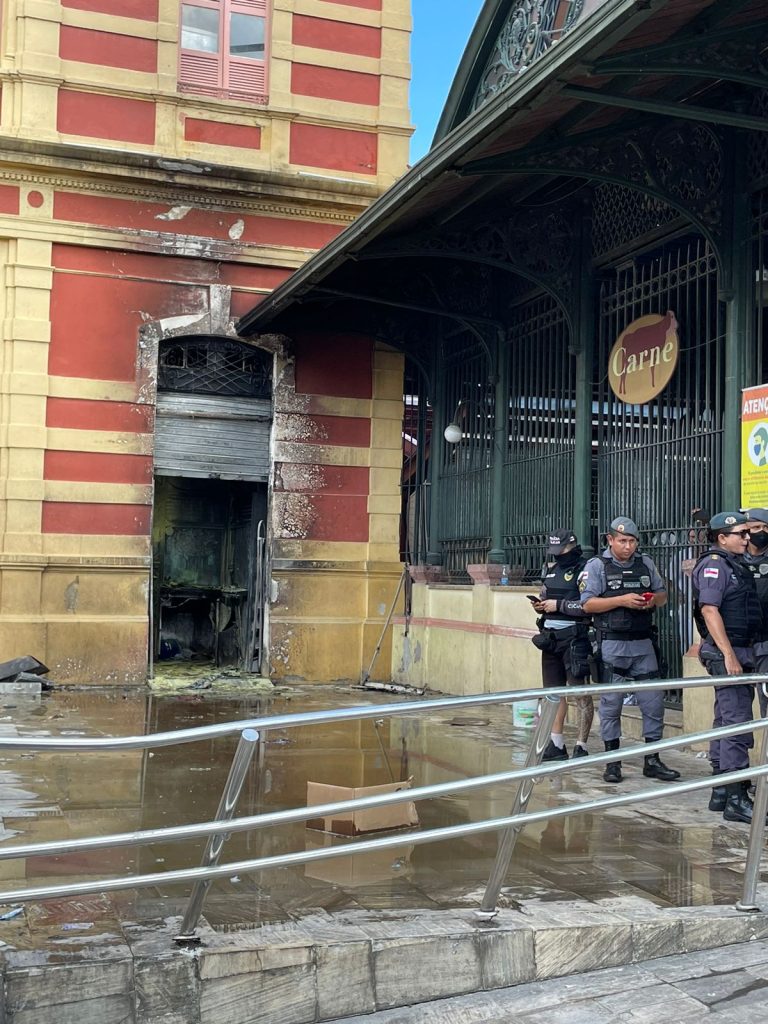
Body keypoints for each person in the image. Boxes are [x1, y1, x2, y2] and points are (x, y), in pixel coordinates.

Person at [579, 516, 680, 784]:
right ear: (610, 540)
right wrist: (621, 600)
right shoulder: (597, 566)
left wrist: (650, 602)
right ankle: (612, 762)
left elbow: (662, 595)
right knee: (611, 705)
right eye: (622, 541)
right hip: (612, 642)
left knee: (653, 702)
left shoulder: (644, 563)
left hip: (643, 641)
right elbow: (587, 604)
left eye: (632, 541)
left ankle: (652, 759)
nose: (628, 546)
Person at [693, 511, 763, 822]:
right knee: (737, 722)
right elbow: (710, 610)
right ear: (723, 538)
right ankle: (736, 796)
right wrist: (729, 656)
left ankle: (721, 790)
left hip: (741, 649)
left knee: (725, 718)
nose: (748, 539)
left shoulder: (736, 564)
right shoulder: (715, 565)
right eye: (742, 534)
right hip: (729, 652)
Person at [531, 529, 594, 761]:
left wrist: (558, 605)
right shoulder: (551, 569)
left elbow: (587, 605)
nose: (558, 555)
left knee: (580, 693)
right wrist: (540, 605)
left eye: (562, 550)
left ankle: (582, 745)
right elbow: (545, 593)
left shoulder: (586, 569)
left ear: (572, 546)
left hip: (575, 637)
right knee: (553, 693)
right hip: (550, 637)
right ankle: (556, 743)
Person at [741, 508, 768, 717]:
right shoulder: (732, 559)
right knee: (736, 707)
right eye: (757, 527)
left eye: (766, 528)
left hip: (766, 642)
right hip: (739, 643)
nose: (762, 532)